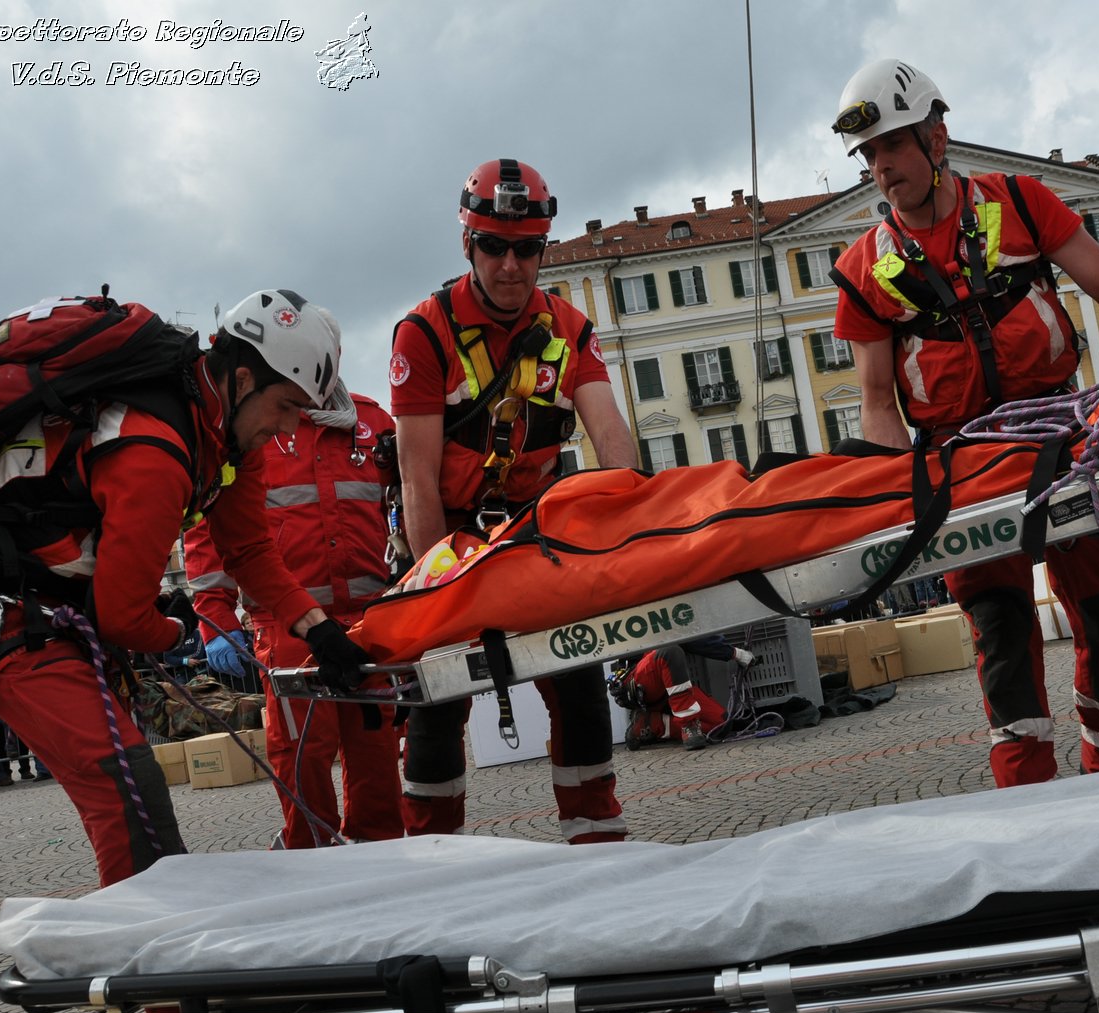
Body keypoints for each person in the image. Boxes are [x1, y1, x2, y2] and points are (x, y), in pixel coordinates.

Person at [0, 290, 370, 886]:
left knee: (130, 783)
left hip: (58, 610)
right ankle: (143, 953)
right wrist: (176, 628)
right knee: (126, 784)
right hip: (4, 615)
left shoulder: (224, 437)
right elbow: (123, 616)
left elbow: (249, 549)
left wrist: (319, 630)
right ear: (243, 377)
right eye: (284, 407)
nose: (286, 428)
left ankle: (155, 942)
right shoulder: (155, 451)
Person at [829, 59, 1099, 787]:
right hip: (961, 466)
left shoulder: (1021, 202)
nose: (880, 168)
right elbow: (879, 404)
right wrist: (898, 512)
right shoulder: (864, 270)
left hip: (1062, 439)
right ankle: (1030, 804)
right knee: (1002, 637)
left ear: (936, 138)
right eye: (869, 156)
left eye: (892, 147)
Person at [390, 157, 639, 841]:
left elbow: (612, 441)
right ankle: (435, 853)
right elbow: (417, 479)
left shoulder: (568, 328)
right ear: (466, 243)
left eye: (527, 249)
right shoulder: (424, 333)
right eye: (494, 247)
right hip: (449, 536)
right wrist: (437, 590)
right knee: (438, 703)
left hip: (535, 532)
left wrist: (630, 544)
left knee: (581, 683)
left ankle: (596, 838)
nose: (510, 265)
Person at [184, 381, 404, 848]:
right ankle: (309, 852)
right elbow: (209, 527)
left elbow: (409, 499)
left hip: (368, 622)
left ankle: (382, 850)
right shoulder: (256, 424)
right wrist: (216, 619)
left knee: (376, 749)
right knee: (302, 753)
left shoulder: (370, 422)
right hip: (289, 626)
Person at [613, 638, 758, 751]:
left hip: (672, 687)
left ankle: (653, 724)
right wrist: (736, 654)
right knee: (669, 652)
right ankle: (689, 726)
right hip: (637, 677)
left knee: (720, 726)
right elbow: (692, 635)